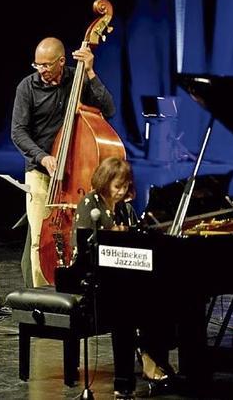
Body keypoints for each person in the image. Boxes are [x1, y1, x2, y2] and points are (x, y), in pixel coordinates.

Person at [11, 37, 116, 287]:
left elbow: (108, 109)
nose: (42, 70)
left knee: (79, 237)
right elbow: (18, 132)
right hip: (40, 171)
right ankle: (41, 295)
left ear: (61, 61)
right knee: (39, 238)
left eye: (47, 65)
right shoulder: (27, 87)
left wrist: (90, 71)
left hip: (75, 172)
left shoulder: (77, 78)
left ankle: (79, 289)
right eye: (38, 65)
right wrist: (43, 157)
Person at [71, 157, 174, 399]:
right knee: (130, 304)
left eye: (126, 186)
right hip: (93, 279)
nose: (122, 192)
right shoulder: (90, 204)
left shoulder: (125, 208)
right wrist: (111, 236)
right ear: (105, 182)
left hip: (122, 279)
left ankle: (153, 355)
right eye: (117, 186)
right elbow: (86, 249)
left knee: (161, 296)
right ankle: (133, 371)